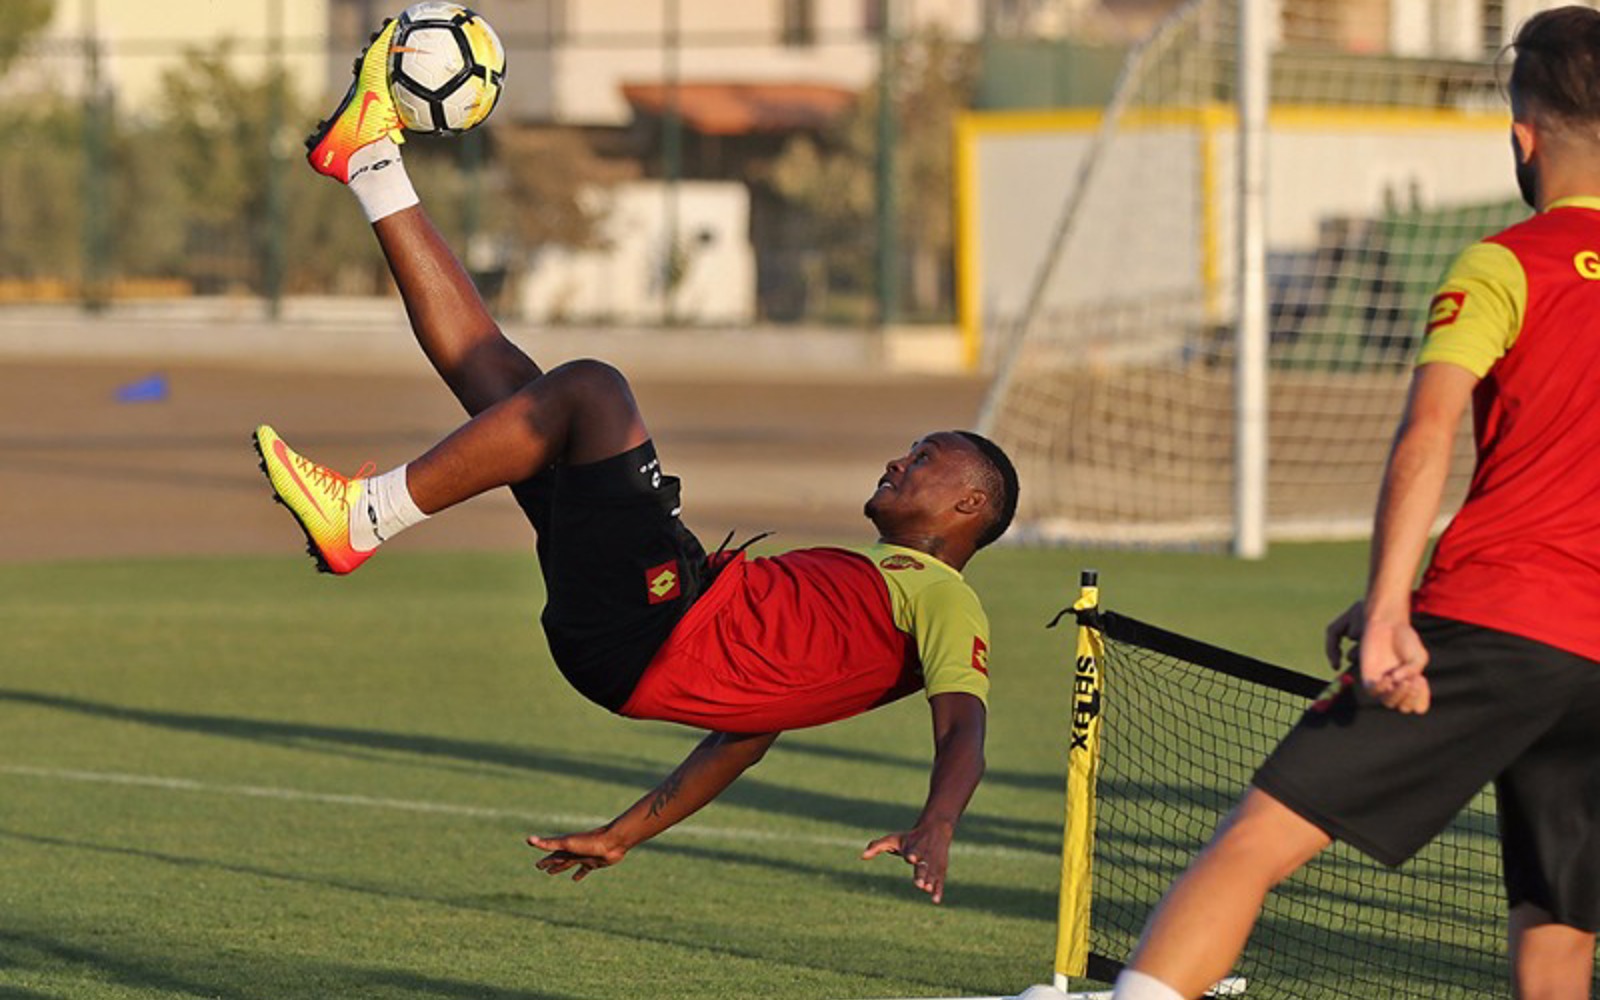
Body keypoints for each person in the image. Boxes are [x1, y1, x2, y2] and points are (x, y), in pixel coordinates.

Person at [255, 18, 1020, 906]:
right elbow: (746, 735)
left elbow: (963, 731)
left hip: (657, 622)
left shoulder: (944, 600)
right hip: (643, 625)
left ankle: (365, 517)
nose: (899, 460)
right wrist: (626, 832)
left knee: (593, 391)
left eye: (924, 458)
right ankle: (370, 163)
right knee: (517, 392)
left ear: (969, 506)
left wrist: (940, 819)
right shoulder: (868, 600)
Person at [1112, 9, 1600, 999]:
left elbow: (1425, 435)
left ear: (1522, 137)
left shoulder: (1505, 262)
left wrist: (1387, 610)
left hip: (1500, 619)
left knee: (1252, 841)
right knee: (1558, 922)